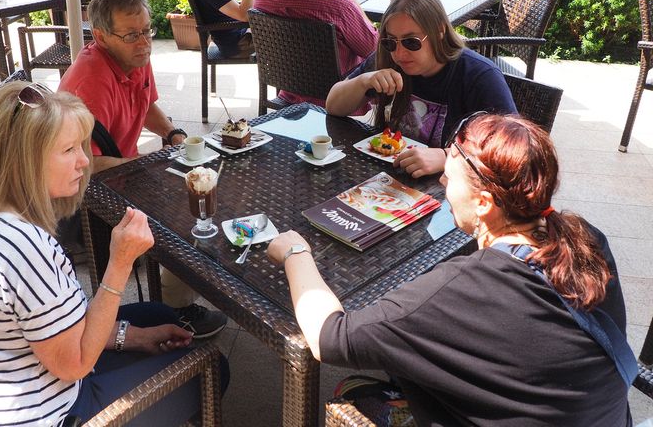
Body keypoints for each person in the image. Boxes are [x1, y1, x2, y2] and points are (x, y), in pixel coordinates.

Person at [267, 113, 634, 426]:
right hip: (605, 417)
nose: (442, 182)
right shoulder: (584, 237)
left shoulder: (463, 288)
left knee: (355, 391)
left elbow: (330, 338)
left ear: (484, 202)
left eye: (450, 176)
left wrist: (296, 252)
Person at [0, 82, 229, 426]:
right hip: (49, 414)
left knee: (154, 314)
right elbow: (73, 362)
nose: (83, 161)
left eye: (81, 146)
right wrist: (120, 262)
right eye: (68, 150)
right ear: (24, 161)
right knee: (213, 365)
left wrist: (136, 337)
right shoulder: (24, 247)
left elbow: (55, 326)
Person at [59, 0, 228, 339]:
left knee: (203, 188)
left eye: (147, 31)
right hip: (81, 194)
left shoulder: (135, 56)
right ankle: (176, 308)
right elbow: (82, 163)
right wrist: (146, 163)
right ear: (101, 35)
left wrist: (172, 135)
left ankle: (175, 293)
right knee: (186, 212)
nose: (144, 43)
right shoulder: (91, 81)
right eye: (132, 35)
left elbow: (146, 103)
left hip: (122, 169)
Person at [325, 0, 516, 178]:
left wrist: (447, 157)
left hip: (451, 190)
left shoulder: (478, 75)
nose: (399, 53)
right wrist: (363, 81)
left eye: (411, 42)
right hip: (391, 181)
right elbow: (333, 106)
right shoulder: (387, 59)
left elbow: (514, 150)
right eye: (390, 42)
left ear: (439, 31)